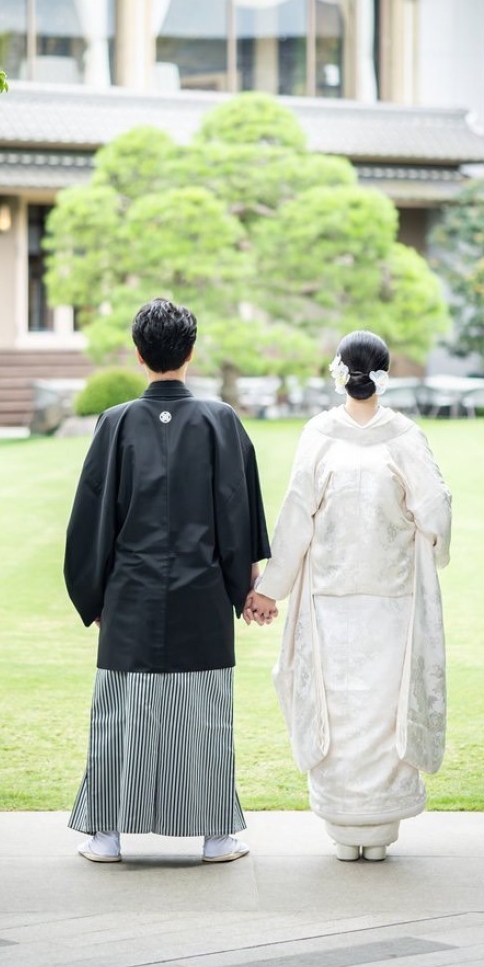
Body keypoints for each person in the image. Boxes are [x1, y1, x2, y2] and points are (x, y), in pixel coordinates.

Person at [65, 298, 276, 864]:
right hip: (201, 595)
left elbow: (93, 517)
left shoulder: (115, 423)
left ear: (139, 354)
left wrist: (93, 596)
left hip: (128, 596)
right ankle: (216, 837)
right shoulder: (220, 420)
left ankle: (105, 836)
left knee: (118, 717)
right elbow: (237, 514)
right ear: (191, 351)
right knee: (204, 717)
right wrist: (245, 589)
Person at [254, 330, 452, 862]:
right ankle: (376, 827)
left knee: (340, 707)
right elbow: (435, 508)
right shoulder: (404, 436)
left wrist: (270, 590)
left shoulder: (319, 435)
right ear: (383, 373)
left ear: (340, 371)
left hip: (332, 597)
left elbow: (296, 518)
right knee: (382, 707)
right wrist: (429, 540)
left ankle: (347, 828)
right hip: (391, 597)